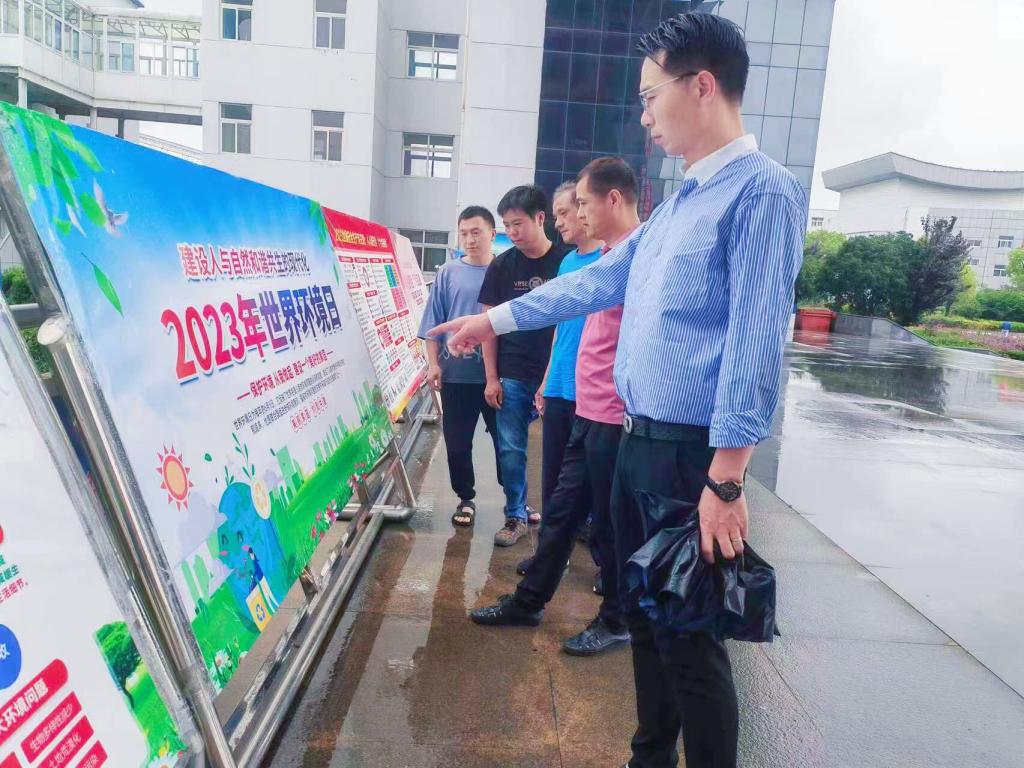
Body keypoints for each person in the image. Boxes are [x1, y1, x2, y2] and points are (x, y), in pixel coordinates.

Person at [431, 13, 805, 768]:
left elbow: (756, 340)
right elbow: (598, 282)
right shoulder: (680, 204)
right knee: (646, 620)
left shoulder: (761, 192)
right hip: (637, 443)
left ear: (702, 86)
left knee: (691, 643)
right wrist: (492, 317)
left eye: (649, 95)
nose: (644, 115)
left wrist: (727, 481)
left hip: (690, 457)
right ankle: (647, 757)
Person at [472, 157, 640, 659]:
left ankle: (617, 619)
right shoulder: (604, 256)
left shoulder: (638, 255)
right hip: (587, 409)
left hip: (616, 415)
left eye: (582, 205)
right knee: (562, 512)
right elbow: (565, 309)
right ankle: (529, 602)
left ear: (613, 199)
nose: (577, 215)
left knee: (610, 524)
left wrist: (490, 322)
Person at [516, 180, 603, 572]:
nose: (561, 222)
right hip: (559, 388)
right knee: (552, 478)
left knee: (596, 482)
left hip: (595, 393)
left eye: (566, 212)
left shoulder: (610, 260)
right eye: (556, 215)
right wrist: (547, 376)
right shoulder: (567, 264)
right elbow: (559, 326)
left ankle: (606, 566)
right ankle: (549, 559)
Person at [479, 185, 569, 546]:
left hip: (559, 373)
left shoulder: (567, 261)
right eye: (506, 225)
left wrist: (551, 378)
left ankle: (565, 522)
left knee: (564, 452)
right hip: (513, 372)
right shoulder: (502, 266)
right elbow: (487, 326)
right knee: (511, 448)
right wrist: (491, 378)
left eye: (518, 223)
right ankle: (515, 515)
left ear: (540, 218)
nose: (512, 232)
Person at [416, 206, 502, 527]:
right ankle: (465, 498)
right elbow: (433, 323)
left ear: (492, 233)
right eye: (464, 233)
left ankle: (516, 500)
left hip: (500, 377)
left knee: (506, 442)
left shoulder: (504, 270)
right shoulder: (448, 273)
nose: (470, 239)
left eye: (476, 232)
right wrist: (433, 364)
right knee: (457, 443)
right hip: (456, 376)